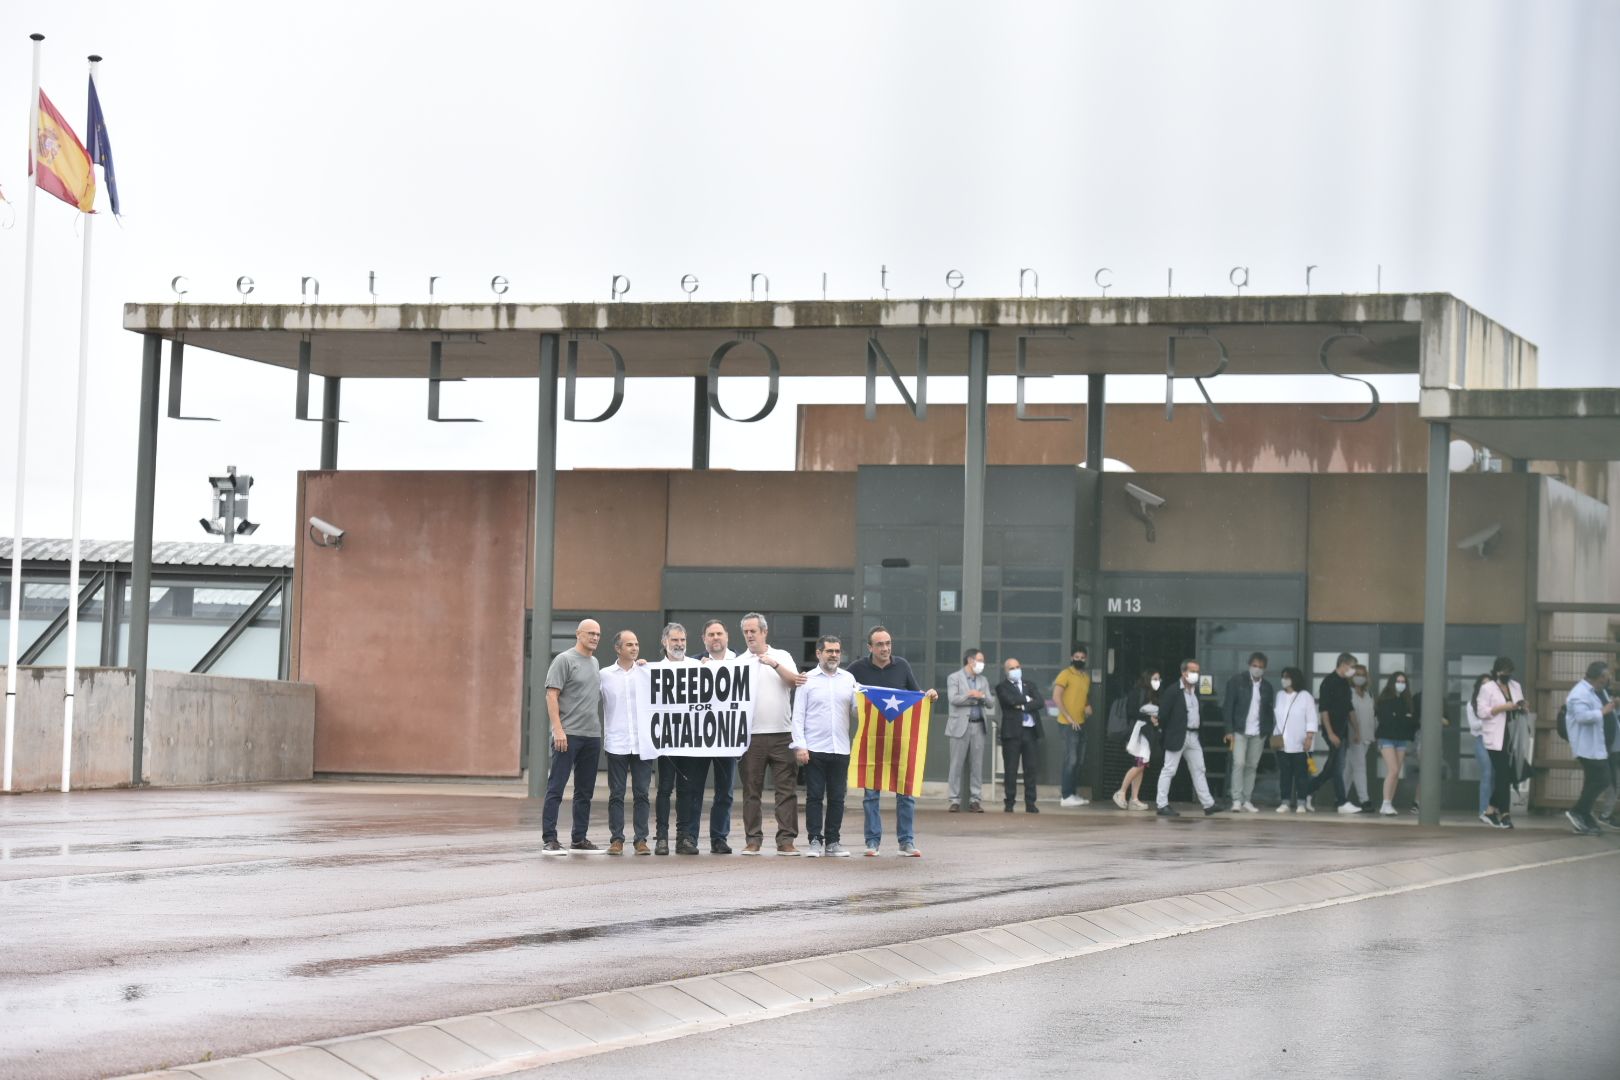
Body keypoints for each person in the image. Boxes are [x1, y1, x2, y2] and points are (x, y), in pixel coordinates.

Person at [848, 626, 938, 857]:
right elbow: (843, 691)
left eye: (888, 643)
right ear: (870, 647)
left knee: (906, 791)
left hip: (901, 739)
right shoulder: (856, 669)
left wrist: (929, 697)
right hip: (873, 740)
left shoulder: (902, 665)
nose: (885, 648)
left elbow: (916, 696)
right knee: (871, 793)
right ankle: (872, 842)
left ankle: (906, 841)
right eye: (879, 644)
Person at [736, 612, 806, 855]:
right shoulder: (739, 661)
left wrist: (773, 664)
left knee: (786, 790)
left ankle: (786, 840)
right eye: (745, 631)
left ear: (764, 632)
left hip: (782, 734)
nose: (749, 635)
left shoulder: (782, 656)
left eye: (753, 631)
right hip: (750, 737)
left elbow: (795, 681)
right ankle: (753, 840)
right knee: (750, 790)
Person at [541, 619, 606, 855]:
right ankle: (549, 839)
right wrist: (558, 729)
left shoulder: (595, 662)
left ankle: (579, 838)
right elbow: (551, 695)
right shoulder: (564, 660)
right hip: (568, 735)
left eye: (598, 634)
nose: (595, 637)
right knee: (556, 787)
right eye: (590, 633)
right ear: (578, 634)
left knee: (585, 791)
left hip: (591, 736)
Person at [792, 635, 857, 857]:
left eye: (837, 651)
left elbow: (859, 710)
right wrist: (800, 746)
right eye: (829, 651)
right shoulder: (806, 680)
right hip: (814, 749)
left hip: (840, 748)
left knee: (838, 797)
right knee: (814, 797)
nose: (834, 655)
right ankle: (814, 841)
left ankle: (833, 841)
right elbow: (798, 716)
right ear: (819, 653)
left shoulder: (849, 679)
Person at [683, 619, 741, 854]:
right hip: (699, 737)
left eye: (719, 633)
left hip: (727, 736)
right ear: (704, 639)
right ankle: (690, 838)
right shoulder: (692, 663)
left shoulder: (741, 663)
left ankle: (719, 838)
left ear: (727, 636)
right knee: (694, 790)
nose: (715, 638)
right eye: (711, 634)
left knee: (724, 791)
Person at [599, 629, 652, 855]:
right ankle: (617, 839)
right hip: (617, 741)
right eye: (629, 644)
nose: (634, 648)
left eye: (636, 644)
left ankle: (641, 840)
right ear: (618, 648)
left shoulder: (646, 672)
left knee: (642, 793)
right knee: (616, 793)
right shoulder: (604, 675)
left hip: (642, 743)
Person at [650, 623, 700, 855]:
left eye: (682, 640)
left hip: (689, 738)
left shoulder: (697, 667)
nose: (679, 644)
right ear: (664, 642)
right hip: (666, 739)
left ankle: (684, 838)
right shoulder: (653, 670)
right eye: (675, 640)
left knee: (687, 790)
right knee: (664, 789)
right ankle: (661, 838)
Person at [1153, 659, 1224, 816]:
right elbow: (1163, 715)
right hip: (1177, 735)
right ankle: (1162, 804)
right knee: (1169, 769)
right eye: (1192, 671)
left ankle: (1208, 804)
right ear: (1183, 672)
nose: (1195, 675)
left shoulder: (1195, 691)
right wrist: (1168, 732)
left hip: (1193, 735)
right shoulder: (1173, 691)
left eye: (1197, 671)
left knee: (1199, 769)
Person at [1472, 656, 1525, 829]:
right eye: (1504, 672)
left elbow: (1519, 703)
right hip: (1495, 736)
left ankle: (1490, 811)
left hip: (1512, 732)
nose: (1507, 675)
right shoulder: (1487, 688)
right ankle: (1505, 815)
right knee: (1503, 774)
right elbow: (1481, 712)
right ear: (1496, 672)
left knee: (1507, 775)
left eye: (1510, 672)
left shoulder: (1515, 686)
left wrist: (1522, 706)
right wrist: (1503, 708)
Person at [1564, 661, 1616, 835]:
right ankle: (1578, 811)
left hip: (1600, 746)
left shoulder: (1597, 691)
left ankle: (1584, 816)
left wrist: (1612, 705)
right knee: (1602, 779)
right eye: (1607, 675)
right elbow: (1581, 717)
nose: (1609, 678)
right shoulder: (1579, 693)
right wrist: (1603, 711)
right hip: (1588, 747)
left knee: (1592, 782)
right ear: (1600, 677)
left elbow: (1606, 709)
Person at [1305, 653, 1361, 814]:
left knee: (1332, 768)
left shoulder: (1345, 683)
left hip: (1343, 731)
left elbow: (1349, 709)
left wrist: (1356, 730)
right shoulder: (1328, 682)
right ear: (1342, 664)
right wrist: (1330, 733)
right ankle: (1341, 801)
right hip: (1332, 732)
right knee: (1338, 767)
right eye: (1351, 667)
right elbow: (1324, 710)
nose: (1353, 671)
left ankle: (1307, 790)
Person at [1220, 651, 1275, 813]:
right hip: (1239, 730)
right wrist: (1228, 730)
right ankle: (1236, 799)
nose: (1257, 669)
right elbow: (1228, 706)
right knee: (1239, 763)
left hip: (1258, 732)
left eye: (1261, 667)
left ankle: (1247, 799)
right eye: (1255, 666)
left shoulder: (1267, 687)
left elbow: (1268, 710)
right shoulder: (1237, 681)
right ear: (1249, 665)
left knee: (1252, 765)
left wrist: (1268, 731)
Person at [945, 648, 993, 813]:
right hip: (959, 727)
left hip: (978, 725)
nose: (982, 664)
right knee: (956, 764)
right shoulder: (954, 678)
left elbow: (991, 702)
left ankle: (975, 800)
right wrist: (971, 696)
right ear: (970, 661)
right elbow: (953, 699)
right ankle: (954, 799)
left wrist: (982, 697)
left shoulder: (983, 680)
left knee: (977, 765)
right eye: (980, 660)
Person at [995, 658, 1045, 813]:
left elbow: (1040, 702)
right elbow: (1009, 701)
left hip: (1030, 731)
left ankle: (1031, 803)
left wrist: (1022, 704)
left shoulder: (1029, 684)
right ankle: (1009, 803)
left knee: (1031, 768)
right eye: (1011, 668)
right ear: (1006, 671)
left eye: (1017, 667)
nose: (1015, 670)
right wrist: (1028, 700)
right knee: (1011, 769)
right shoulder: (1001, 687)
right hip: (1012, 733)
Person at [1272, 666, 1318, 813]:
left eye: (1287, 677)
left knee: (1301, 774)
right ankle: (1285, 802)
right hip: (1282, 742)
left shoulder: (1305, 696)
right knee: (1285, 774)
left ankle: (1301, 803)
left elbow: (1312, 718)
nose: (1284, 680)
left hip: (1301, 742)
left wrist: (1309, 737)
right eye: (1283, 676)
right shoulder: (1279, 695)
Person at [1053, 644, 1093, 807]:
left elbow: (1082, 697)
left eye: (1082, 658)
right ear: (1071, 658)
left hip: (1081, 722)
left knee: (1079, 760)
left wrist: (1087, 706)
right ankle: (1066, 795)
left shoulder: (1085, 677)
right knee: (1071, 759)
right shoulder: (1065, 674)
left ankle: (1073, 794)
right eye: (1076, 657)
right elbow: (1056, 697)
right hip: (1068, 723)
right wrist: (1069, 718)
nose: (1079, 660)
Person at [1113, 669, 1160, 810]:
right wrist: (1148, 718)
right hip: (1138, 732)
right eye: (1155, 679)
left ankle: (1134, 798)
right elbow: (1132, 712)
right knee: (1140, 763)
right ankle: (1121, 792)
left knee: (1141, 765)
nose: (1158, 682)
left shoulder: (1153, 695)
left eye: (1159, 679)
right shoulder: (1137, 693)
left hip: (1147, 732)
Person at [1374, 671, 1418, 816]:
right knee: (1393, 770)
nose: (1401, 684)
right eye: (1398, 681)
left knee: (1396, 772)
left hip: (1401, 739)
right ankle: (1385, 803)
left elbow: (1411, 721)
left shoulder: (1407, 700)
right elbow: (1386, 719)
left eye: (1403, 682)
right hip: (1386, 738)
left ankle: (1389, 803)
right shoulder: (1384, 699)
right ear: (1392, 683)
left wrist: (1401, 718)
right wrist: (1402, 718)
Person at [1343, 663, 1376, 809]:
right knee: (1360, 767)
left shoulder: (1369, 694)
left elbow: (1372, 715)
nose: (1360, 677)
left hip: (1367, 737)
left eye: (1363, 675)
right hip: (1353, 737)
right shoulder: (1348, 693)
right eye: (1357, 674)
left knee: (1350, 769)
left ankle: (1340, 797)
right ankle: (1365, 800)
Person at [1466, 672, 1494, 822]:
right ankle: (1483, 810)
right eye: (1483, 684)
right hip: (1482, 740)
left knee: (1496, 775)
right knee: (1487, 773)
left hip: (1496, 740)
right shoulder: (1472, 704)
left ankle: (1494, 809)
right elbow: (1473, 726)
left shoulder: (1496, 702)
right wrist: (1490, 719)